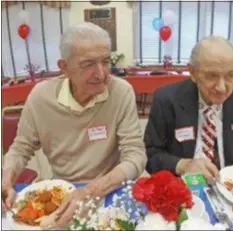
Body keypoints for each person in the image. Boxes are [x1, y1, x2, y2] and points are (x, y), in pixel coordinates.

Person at [1, 22, 147, 227]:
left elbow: (136, 155)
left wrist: (90, 191)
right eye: (88, 64)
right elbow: (21, 147)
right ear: (64, 67)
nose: (101, 74)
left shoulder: (120, 92)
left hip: (109, 189)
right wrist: (7, 177)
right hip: (62, 191)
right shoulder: (41, 97)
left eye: (105, 61)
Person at [144, 35, 233, 182]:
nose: (222, 88)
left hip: (229, 187)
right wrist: (184, 165)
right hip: (183, 186)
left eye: (230, 75)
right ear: (192, 72)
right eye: (212, 76)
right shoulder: (167, 100)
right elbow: (150, 155)